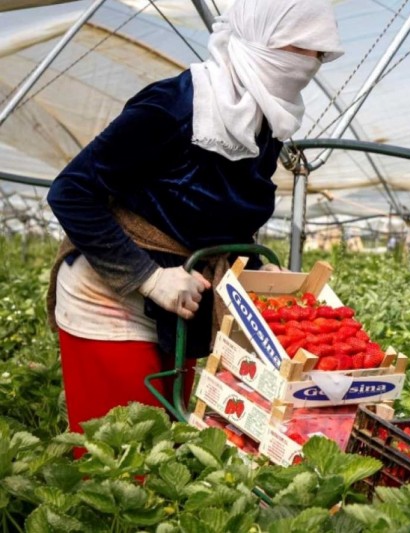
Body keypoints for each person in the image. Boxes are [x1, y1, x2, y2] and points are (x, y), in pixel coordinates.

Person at [45, 0, 343, 442]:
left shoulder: (263, 120)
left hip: (184, 299)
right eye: (303, 49)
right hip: (111, 294)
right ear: (260, 36)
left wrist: (260, 274)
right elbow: (70, 192)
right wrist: (148, 278)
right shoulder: (176, 106)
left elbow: (222, 219)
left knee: (171, 445)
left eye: (320, 55)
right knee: (122, 454)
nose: (312, 65)